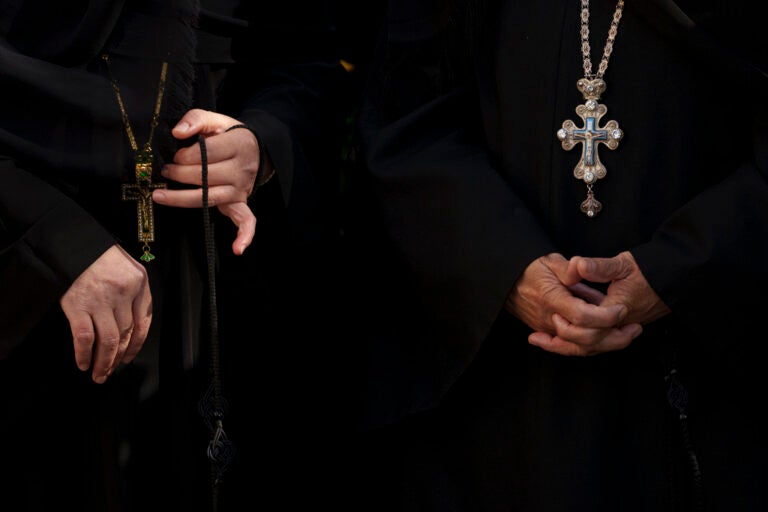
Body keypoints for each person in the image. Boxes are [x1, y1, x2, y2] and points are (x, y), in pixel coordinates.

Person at [351, 0, 768, 510]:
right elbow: (410, 113)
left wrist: (682, 266)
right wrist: (502, 263)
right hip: (494, 381)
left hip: (703, 379)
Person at [0, 1, 362, 510]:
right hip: (44, 276)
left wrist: (265, 141)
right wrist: (52, 234)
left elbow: (313, 61)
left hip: (243, 270)